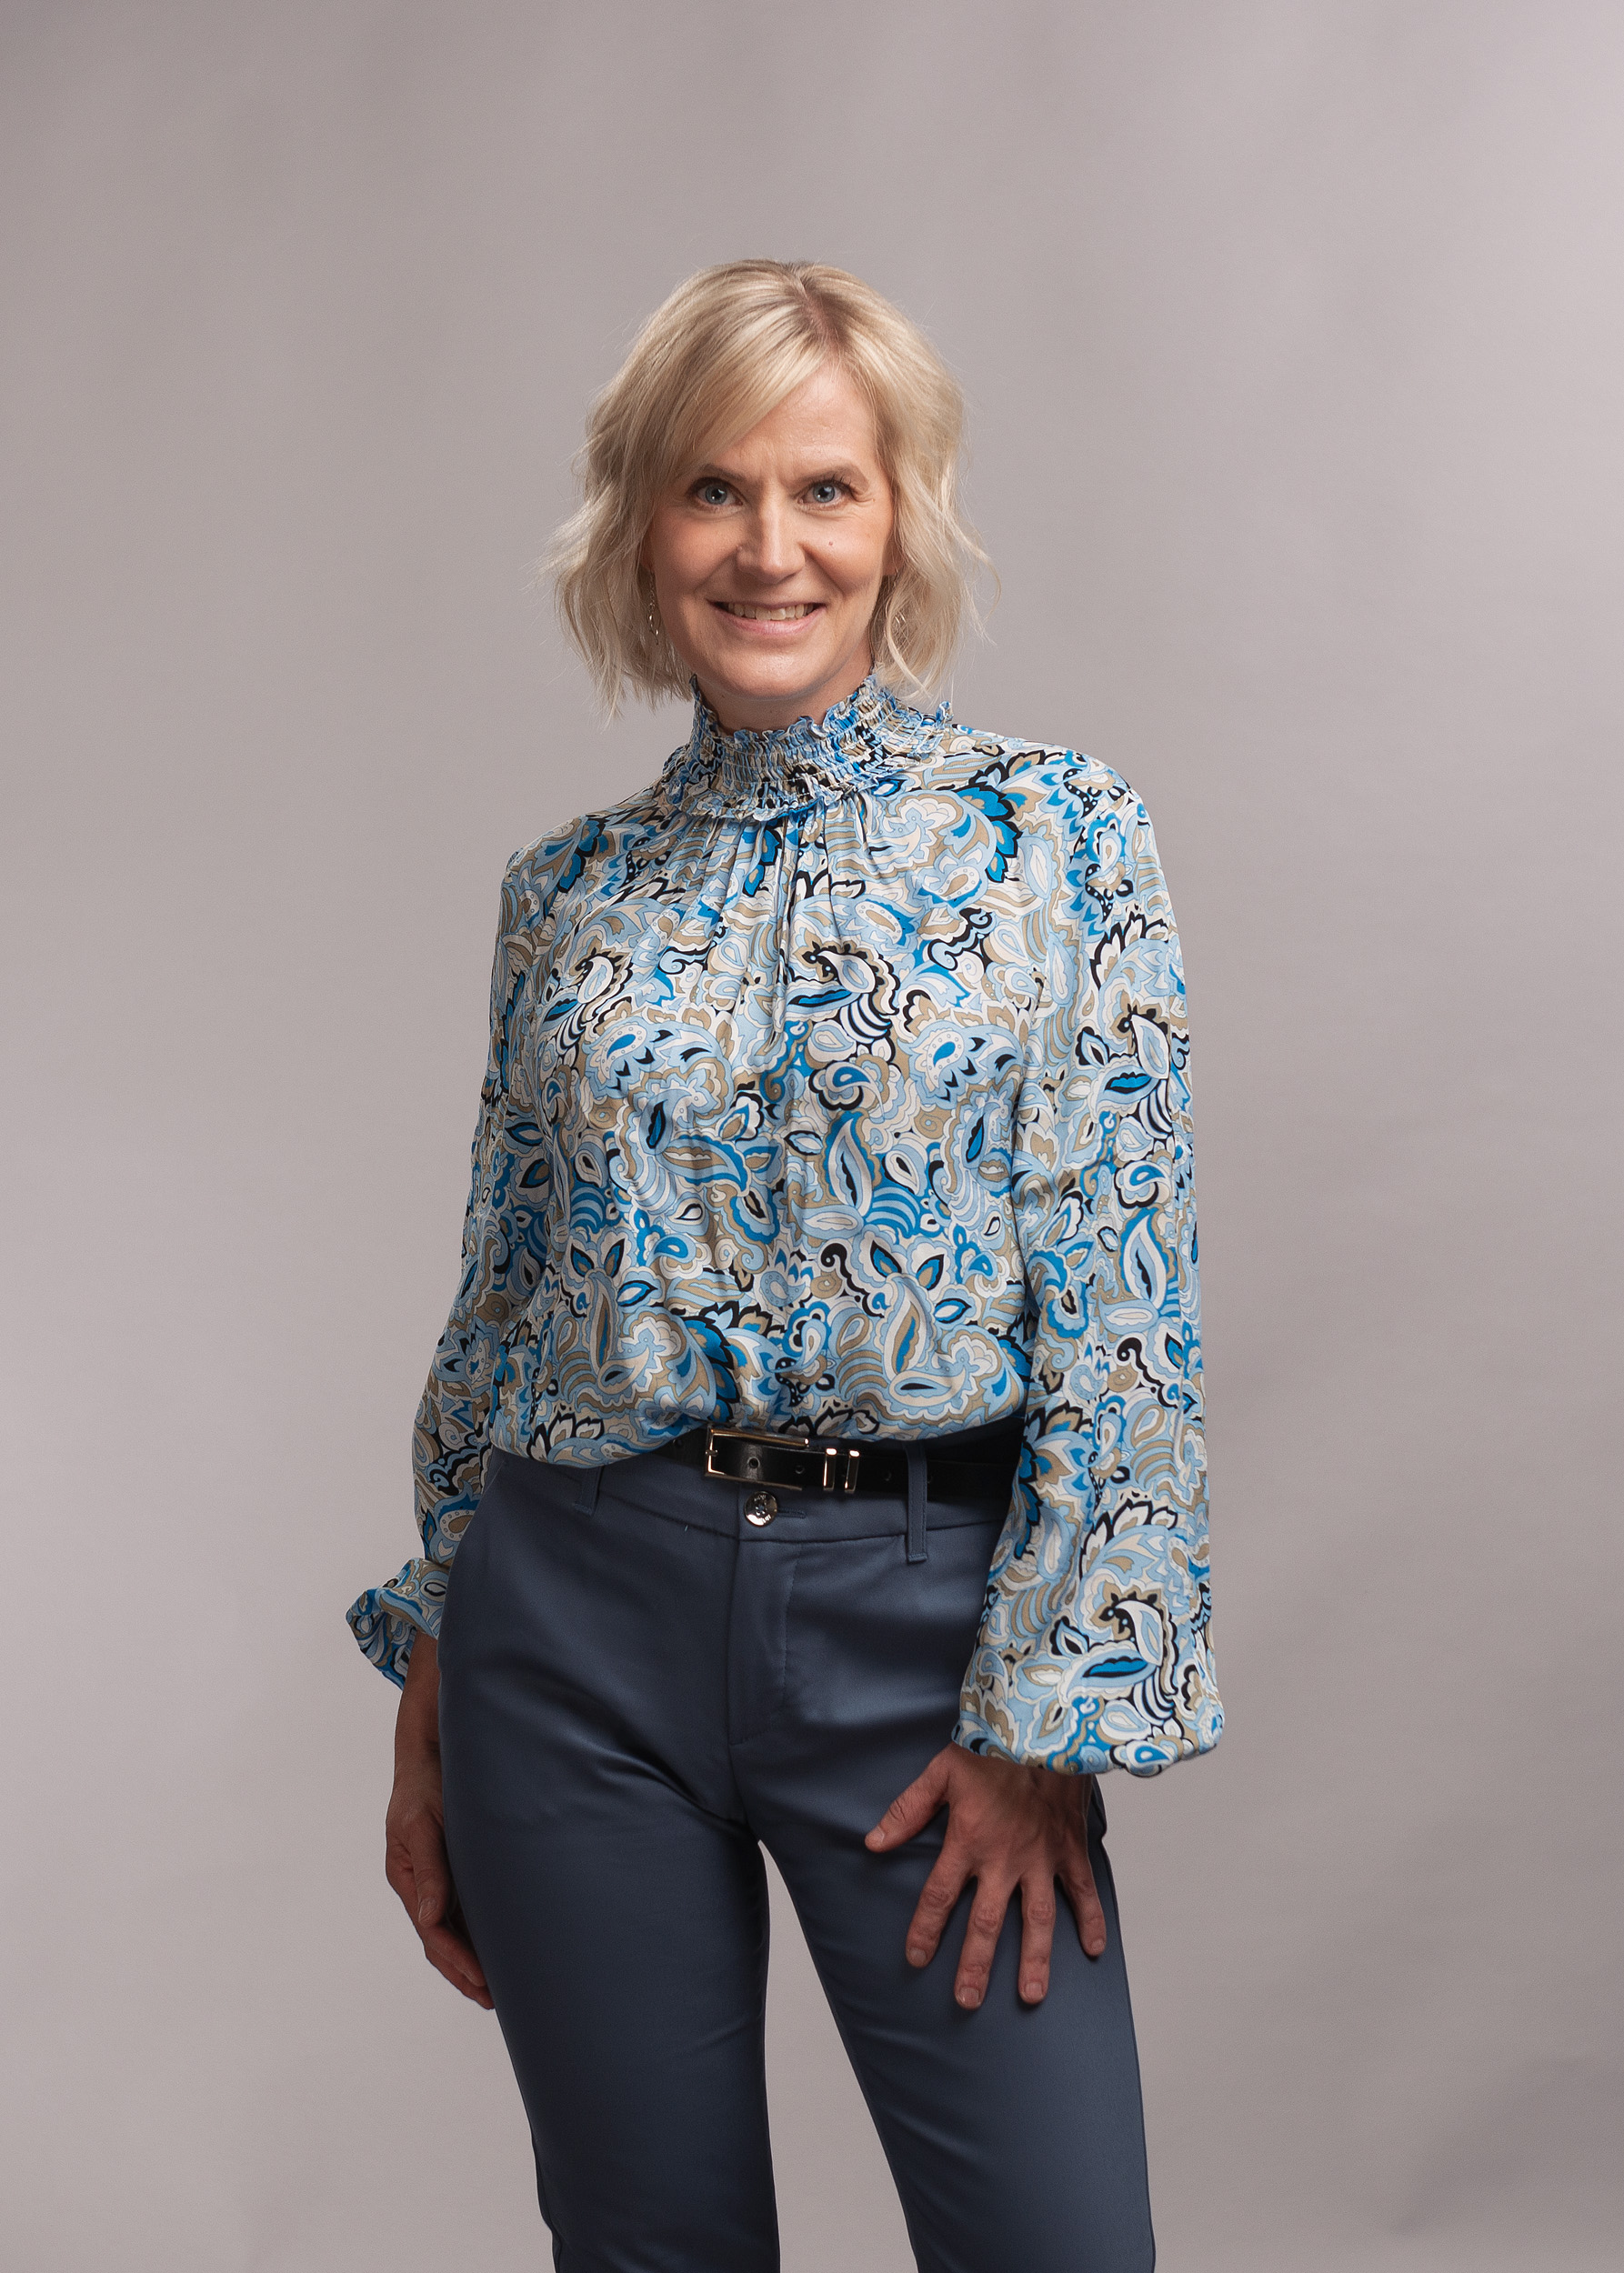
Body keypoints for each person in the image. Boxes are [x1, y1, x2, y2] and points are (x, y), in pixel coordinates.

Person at [348, 259, 1220, 2273]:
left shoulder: (1052, 838)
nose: (768, 549)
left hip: (920, 1631)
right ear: (639, 528)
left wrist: (1043, 1716)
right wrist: (439, 1661)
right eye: (713, 490)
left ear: (898, 520)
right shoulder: (565, 894)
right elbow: (506, 1291)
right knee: (643, 2245)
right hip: (568, 1627)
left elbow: (1128, 1291)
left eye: (824, 488)